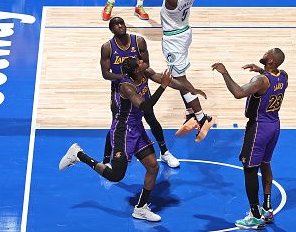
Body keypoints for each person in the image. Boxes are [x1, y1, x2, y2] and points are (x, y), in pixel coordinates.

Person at [59, 59, 196, 222]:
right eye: (139, 63)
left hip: (137, 128)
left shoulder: (145, 73)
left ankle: (140, 208)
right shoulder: (126, 86)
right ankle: (79, 155)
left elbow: (165, 79)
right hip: (123, 131)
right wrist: (163, 87)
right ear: (136, 71)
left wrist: (190, 89)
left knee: (153, 166)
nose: (142, 61)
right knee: (116, 176)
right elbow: (145, 107)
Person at [211, 48, 287, 229]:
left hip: (259, 127)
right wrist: (261, 70)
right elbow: (271, 77)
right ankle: (267, 208)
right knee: (266, 163)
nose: (265, 53)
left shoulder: (260, 81)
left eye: (267, 53)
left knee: (250, 169)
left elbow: (238, 92)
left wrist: (224, 72)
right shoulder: (283, 75)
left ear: (270, 61)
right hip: (274, 125)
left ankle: (254, 215)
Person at [99, 16, 184, 168]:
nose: (120, 26)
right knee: (116, 125)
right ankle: (107, 159)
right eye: (117, 25)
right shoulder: (107, 47)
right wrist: (124, 77)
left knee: (151, 118)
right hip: (120, 92)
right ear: (112, 30)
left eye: (122, 23)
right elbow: (106, 74)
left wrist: (137, 76)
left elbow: (146, 64)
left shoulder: (138, 42)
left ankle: (164, 152)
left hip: (139, 86)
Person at [158, 0, 216, 142]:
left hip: (174, 39)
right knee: (178, 76)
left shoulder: (173, 0)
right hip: (184, 32)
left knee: (179, 79)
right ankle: (191, 114)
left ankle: (203, 117)